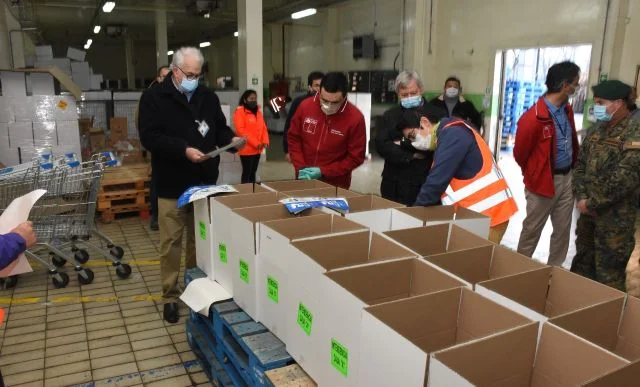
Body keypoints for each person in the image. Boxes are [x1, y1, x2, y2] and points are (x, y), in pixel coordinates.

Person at [139, 47, 244, 323]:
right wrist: (183, 149)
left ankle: (195, 289)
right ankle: (170, 296)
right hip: (172, 182)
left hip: (203, 181)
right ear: (175, 71)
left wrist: (231, 140)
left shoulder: (207, 97)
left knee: (200, 241)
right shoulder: (154, 98)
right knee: (171, 242)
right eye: (189, 74)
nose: (194, 79)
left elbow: (218, 128)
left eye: (198, 75)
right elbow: (149, 137)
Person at [407, 107, 518, 243]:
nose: (414, 143)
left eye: (412, 136)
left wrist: (413, 217)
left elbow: (435, 183)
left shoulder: (453, 135)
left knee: (474, 262)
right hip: (479, 218)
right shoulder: (450, 133)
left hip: (489, 218)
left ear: (424, 122)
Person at [570, 80, 640, 291]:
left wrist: (592, 203)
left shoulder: (634, 133)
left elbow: (625, 178)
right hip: (587, 216)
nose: (596, 106)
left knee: (608, 276)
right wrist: (582, 197)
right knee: (582, 267)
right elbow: (580, 165)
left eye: (601, 102)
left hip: (615, 221)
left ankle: (608, 320)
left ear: (618, 103)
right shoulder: (595, 131)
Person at [513, 61, 581, 267]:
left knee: (562, 230)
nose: (577, 88)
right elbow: (520, 154)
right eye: (575, 84)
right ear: (564, 85)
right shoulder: (533, 118)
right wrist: (536, 173)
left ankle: (555, 271)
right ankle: (519, 268)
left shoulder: (566, 110)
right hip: (542, 182)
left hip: (566, 178)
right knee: (532, 229)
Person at [376, 70, 447, 206]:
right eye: (404, 95)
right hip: (394, 183)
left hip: (424, 182)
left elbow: (440, 146)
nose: (409, 97)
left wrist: (400, 142)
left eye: (413, 93)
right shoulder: (390, 115)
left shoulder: (437, 114)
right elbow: (382, 145)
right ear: (398, 94)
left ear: (421, 90)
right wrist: (412, 154)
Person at [288, 72, 366, 189]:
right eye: (324, 100)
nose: (328, 106)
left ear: (344, 97)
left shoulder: (355, 118)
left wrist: (324, 171)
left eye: (334, 102)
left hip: (335, 184)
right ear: (319, 92)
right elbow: (294, 138)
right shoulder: (305, 107)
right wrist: (301, 167)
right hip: (304, 177)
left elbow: (355, 157)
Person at [283, 71, 324, 162]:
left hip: (323, 152)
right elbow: (289, 126)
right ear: (310, 87)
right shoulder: (299, 102)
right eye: (316, 85)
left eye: (322, 85)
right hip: (303, 151)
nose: (320, 88)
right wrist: (287, 150)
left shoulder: (330, 103)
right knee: (304, 175)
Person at [234, 89, 269, 183]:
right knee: (247, 173)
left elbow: (264, 128)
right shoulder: (240, 112)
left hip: (258, 149)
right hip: (247, 149)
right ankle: (245, 193)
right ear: (245, 100)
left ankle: (252, 193)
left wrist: (265, 141)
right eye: (251, 98)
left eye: (255, 98)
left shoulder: (258, 112)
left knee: (253, 172)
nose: (253, 100)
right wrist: (256, 143)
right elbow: (241, 130)